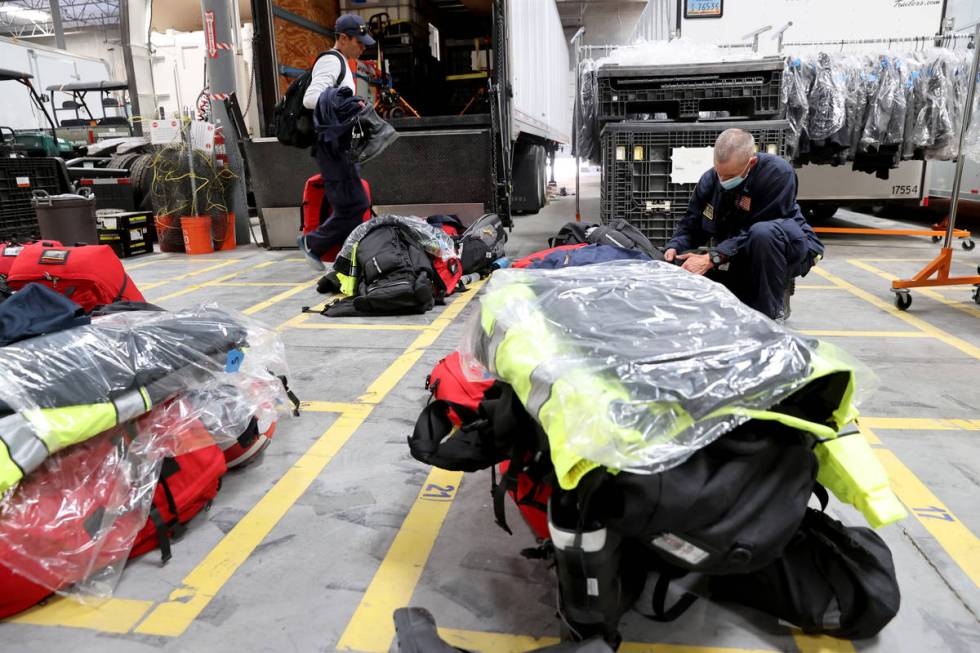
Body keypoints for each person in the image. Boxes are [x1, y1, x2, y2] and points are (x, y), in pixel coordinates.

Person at [663, 128, 824, 320]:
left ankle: (770, 316)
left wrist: (713, 258)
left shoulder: (777, 174)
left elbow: (759, 232)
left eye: (730, 176)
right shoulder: (710, 180)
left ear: (752, 162)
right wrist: (675, 246)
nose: (723, 181)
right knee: (689, 271)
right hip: (736, 251)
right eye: (719, 172)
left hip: (785, 249)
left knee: (763, 234)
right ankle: (750, 294)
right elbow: (692, 224)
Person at [297, 14, 376, 271]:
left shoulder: (342, 62)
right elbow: (311, 99)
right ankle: (313, 244)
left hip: (340, 146)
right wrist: (348, 102)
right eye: (359, 41)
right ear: (343, 38)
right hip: (331, 147)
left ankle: (348, 259)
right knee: (354, 204)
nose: (363, 47)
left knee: (353, 203)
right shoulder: (331, 62)